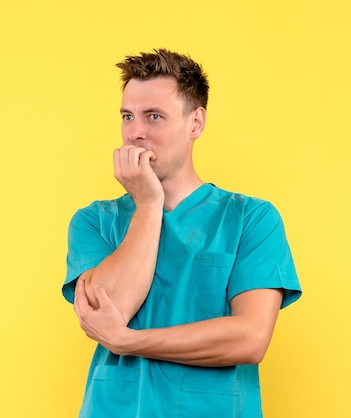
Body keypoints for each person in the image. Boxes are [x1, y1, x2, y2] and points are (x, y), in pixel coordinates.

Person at [62, 49, 302, 418]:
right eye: (128, 117)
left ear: (196, 123)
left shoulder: (251, 219)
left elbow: (250, 338)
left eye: (154, 117)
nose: (135, 132)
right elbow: (109, 310)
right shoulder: (95, 221)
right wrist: (147, 204)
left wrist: (130, 342)